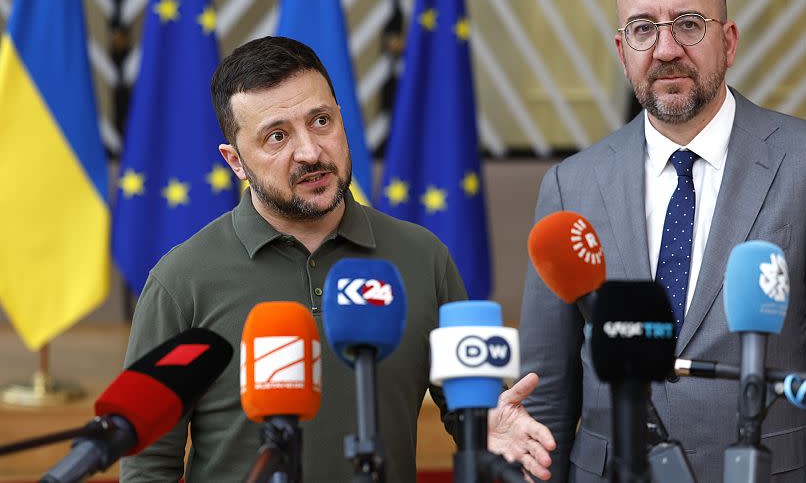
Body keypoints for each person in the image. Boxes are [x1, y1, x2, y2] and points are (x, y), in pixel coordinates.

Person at [120, 36, 555, 482]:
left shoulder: (424, 258)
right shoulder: (180, 282)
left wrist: (486, 431)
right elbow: (148, 468)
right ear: (235, 161)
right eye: (277, 136)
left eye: (321, 121)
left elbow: (470, 413)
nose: (310, 152)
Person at [518, 0, 806, 483]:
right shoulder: (571, 185)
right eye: (643, 28)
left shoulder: (802, 161)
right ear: (622, 51)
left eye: (689, 24)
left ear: (730, 41)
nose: (666, 49)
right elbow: (547, 395)